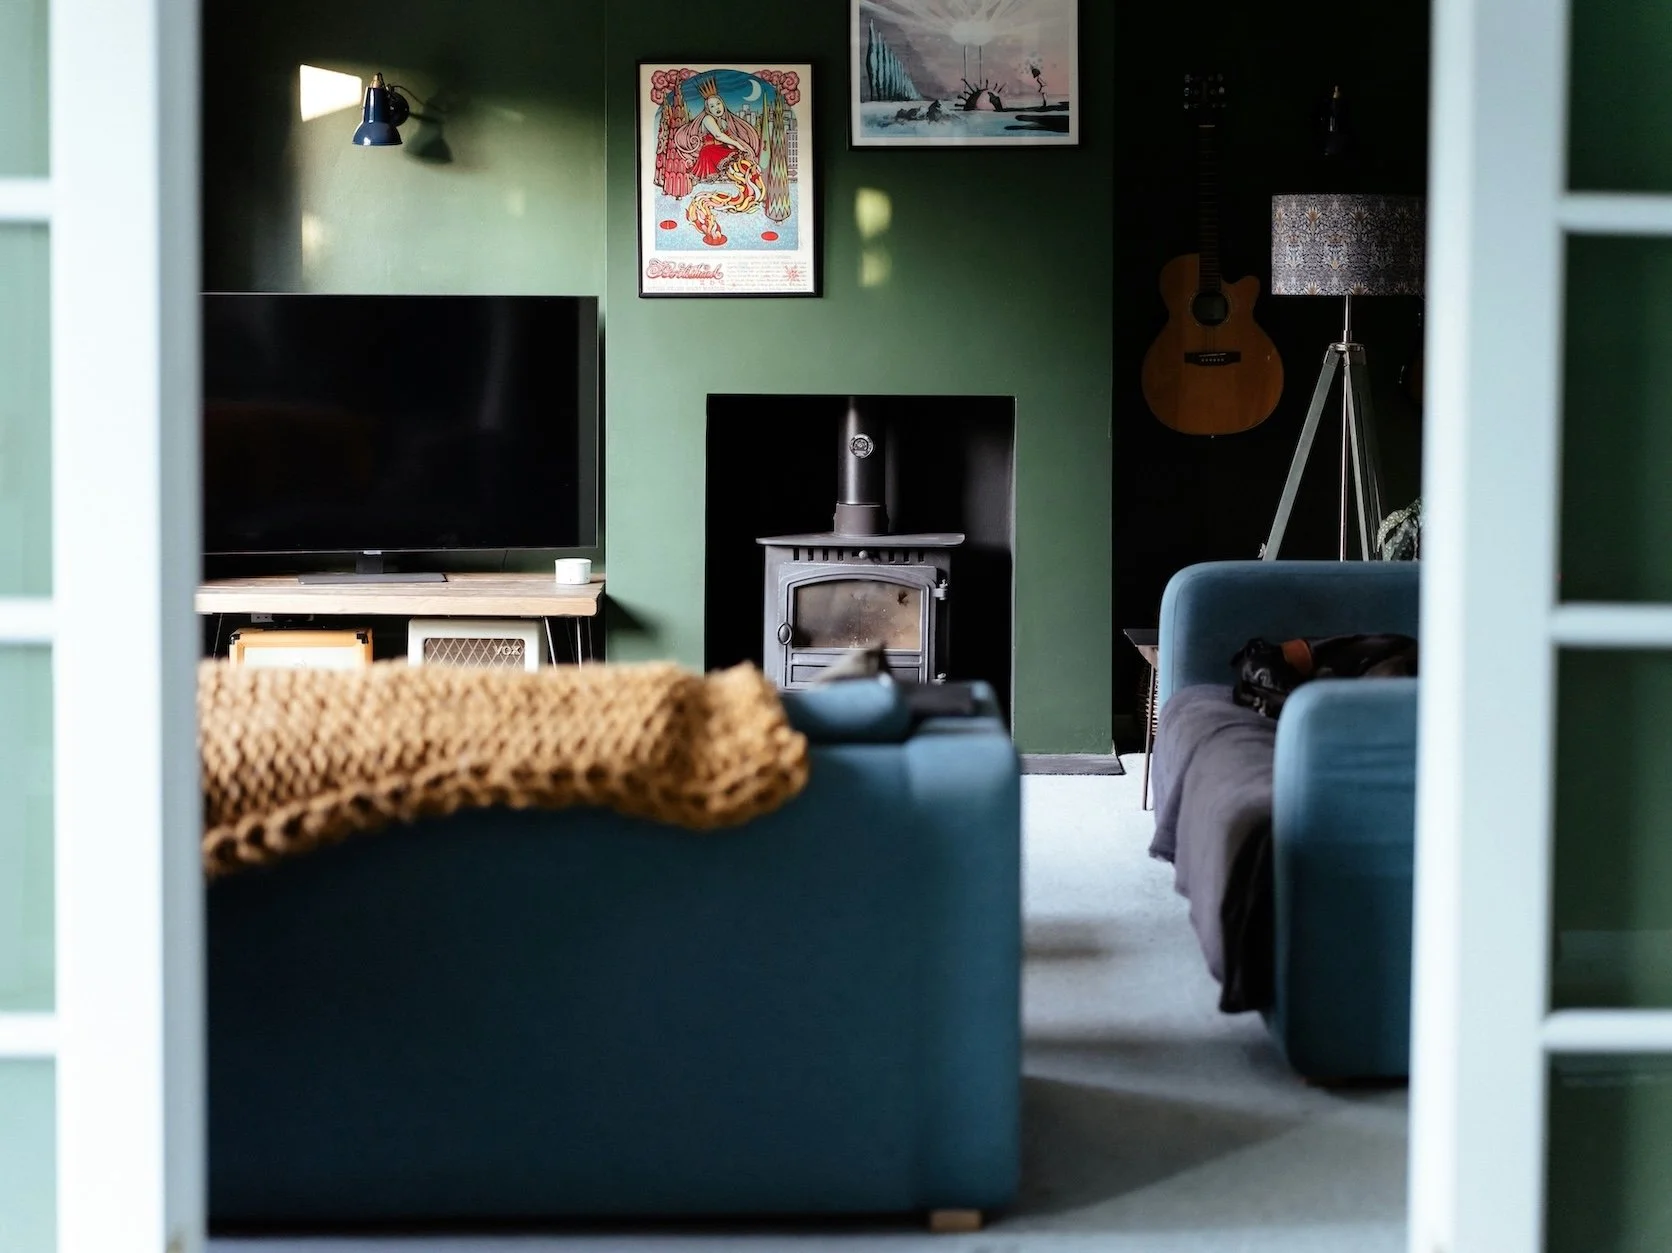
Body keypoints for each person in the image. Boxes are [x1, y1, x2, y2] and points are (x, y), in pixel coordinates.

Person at [670, 77, 761, 188]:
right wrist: (737, 144)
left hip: (722, 149)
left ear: (722, 104)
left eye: (718, 104)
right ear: (708, 109)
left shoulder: (723, 121)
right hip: (710, 152)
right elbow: (718, 135)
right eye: (712, 106)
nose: (716, 107)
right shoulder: (708, 119)